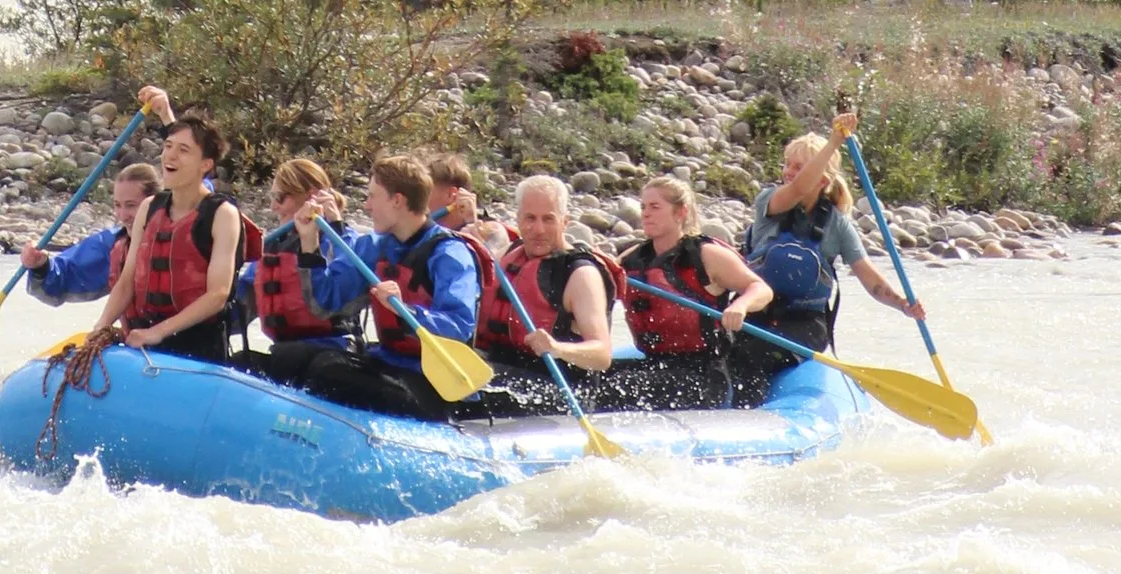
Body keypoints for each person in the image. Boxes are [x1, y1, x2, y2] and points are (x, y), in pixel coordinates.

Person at [260, 152, 483, 423]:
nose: (366, 206)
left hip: (430, 382)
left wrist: (408, 312)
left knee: (327, 371)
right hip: (388, 363)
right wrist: (309, 244)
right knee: (290, 357)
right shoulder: (375, 247)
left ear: (397, 200)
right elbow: (326, 303)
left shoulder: (449, 253)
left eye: (372, 196)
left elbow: (460, 325)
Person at [739, 119, 924, 377]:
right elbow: (798, 189)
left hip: (805, 322)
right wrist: (834, 141)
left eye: (799, 167)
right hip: (755, 309)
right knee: (740, 352)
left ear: (822, 180)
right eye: (787, 164)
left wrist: (903, 304)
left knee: (763, 353)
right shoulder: (770, 202)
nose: (788, 172)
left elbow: (870, 278)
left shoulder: (837, 224)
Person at [612, 175, 773, 408]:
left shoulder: (706, 255)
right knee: (584, 376)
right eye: (643, 207)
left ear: (680, 212)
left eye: (655, 207)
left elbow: (761, 289)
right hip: (655, 363)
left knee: (621, 386)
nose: (645, 214)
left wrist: (740, 305)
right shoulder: (631, 259)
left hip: (704, 374)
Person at [101, 111, 246, 363]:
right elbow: (127, 281)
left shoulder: (223, 215)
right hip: (146, 337)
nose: (170, 155)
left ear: (205, 164)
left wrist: (158, 332)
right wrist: (101, 326)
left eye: (183, 150)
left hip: (199, 346)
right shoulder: (149, 207)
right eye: (168, 146)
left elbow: (218, 294)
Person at [476, 174, 627, 408]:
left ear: (564, 222)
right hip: (506, 368)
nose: (538, 229)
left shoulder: (581, 274)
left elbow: (602, 355)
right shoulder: (510, 254)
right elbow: (489, 236)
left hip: (562, 391)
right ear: (518, 219)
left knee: (466, 380)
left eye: (548, 219)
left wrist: (557, 348)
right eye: (530, 218)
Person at [246, 156, 350, 361]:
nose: (273, 206)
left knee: (296, 360)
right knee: (241, 360)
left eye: (279, 198)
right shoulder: (272, 246)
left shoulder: (341, 239)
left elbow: (348, 278)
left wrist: (335, 224)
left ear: (311, 196)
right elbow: (242, 296)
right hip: (285, 350)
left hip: (333, 350)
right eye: (272, 197)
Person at [21, 160, 158, 309]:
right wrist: (41, 267)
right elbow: (64, 277)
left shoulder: (176, 239)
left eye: (131, 205)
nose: (122, 216)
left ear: (155, 203)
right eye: (117, 205)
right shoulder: (113, 245)